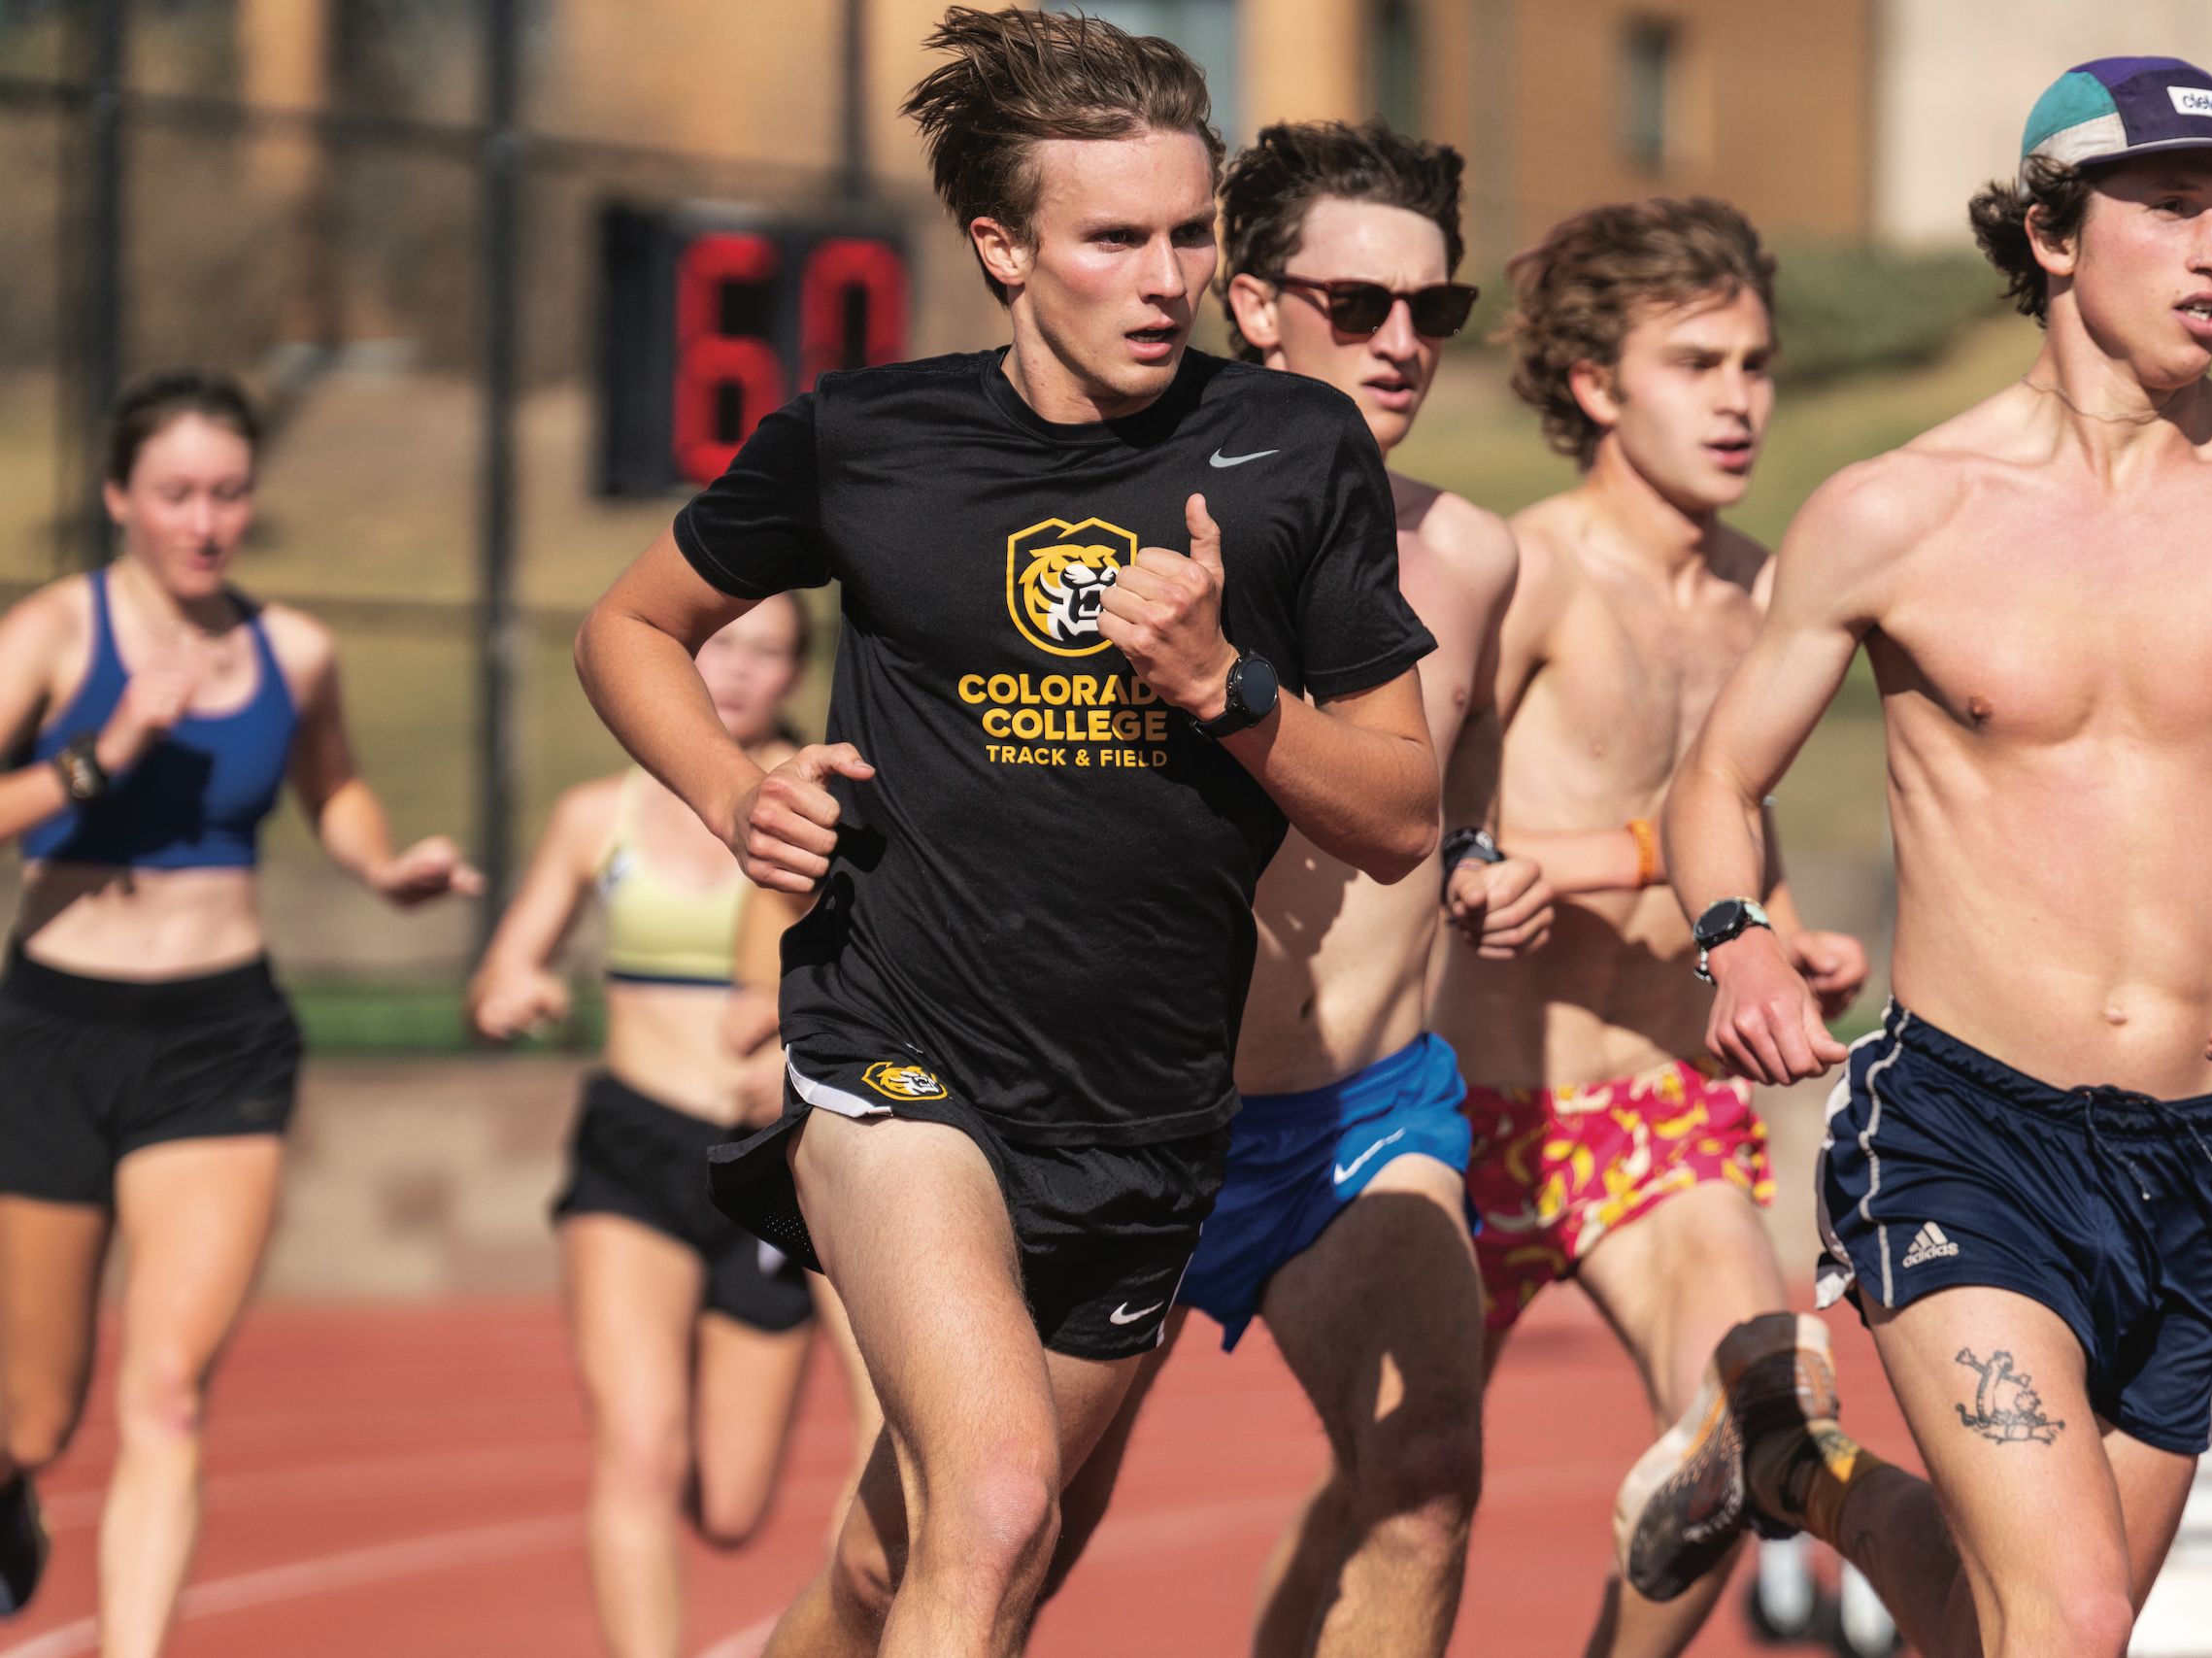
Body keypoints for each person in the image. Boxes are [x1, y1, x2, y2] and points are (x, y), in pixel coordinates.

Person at [570, 12, 1440, 1657]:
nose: (1164, 275)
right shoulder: (866, 440)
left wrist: (1225, 685)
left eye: (1189, 233)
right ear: (1002, 246)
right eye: (1114, 238)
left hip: (1144, 1106)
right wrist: (729, 786)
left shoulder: (1291, 450)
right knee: (997, 1499)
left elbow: (1402, 815)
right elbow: (630, 628)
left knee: (909, 1565)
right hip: (898, 1050)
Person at [1649, 56, 2212, 1658]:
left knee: (1995, 1618)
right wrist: (1736, 933)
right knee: (2077, 1616)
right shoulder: (1898, 511)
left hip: (2196, 1162)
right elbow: (1713, 782)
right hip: (1962, 1136)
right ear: (2047, 234)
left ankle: (1792, 1467)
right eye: (2170, 210)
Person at [1045, 118, 1530, 1658]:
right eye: (1360, 306)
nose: (1403, 344)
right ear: (1254, 304)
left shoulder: (1475, 557)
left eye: (1434, 313)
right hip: (1115, 1109)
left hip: (1356, 1111)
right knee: (974, 1541)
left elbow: (1460, 784)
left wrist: (1479, 861)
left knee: (1425, 1482)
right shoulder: (1110, 515)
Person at [1429, 196, 1869, 1657]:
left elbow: (1737, 827)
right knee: (1396, 1503)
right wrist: (1552, 861)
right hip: (1466, 1109)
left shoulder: (1765, 596)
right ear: (1596, 386)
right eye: (1697, 364)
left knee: (1759, 1422)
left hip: (1659, 1109)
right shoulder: (1522, 569)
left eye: (1754, 363)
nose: (1740, 399)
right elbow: (1414, 824)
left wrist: (1787, 935)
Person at [0, 369, 480, 1649]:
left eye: (226, 492)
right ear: (119, 498)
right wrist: (100, 754)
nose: (204, 519)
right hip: (53, 1032)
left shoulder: (294, 649)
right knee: (31, 1416)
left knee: (165, 1390)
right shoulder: (52, 634)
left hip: (219, 1042)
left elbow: (338, 789)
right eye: (175, 493)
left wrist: (384, 867)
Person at [466, 592, 877, 1658]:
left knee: (734, 1504)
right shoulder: (596, 815)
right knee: (637, 1447)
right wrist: (510, 991)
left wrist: (794, 1050)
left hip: (774, 1165)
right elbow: (503, 966)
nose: (740, 674)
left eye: (770, 654)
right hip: (636, 1149)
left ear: (797, 671)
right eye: (722, 648)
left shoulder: (831, 805)